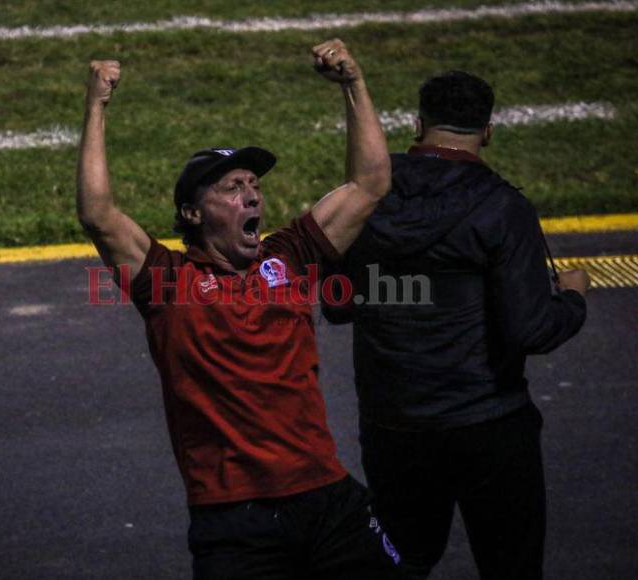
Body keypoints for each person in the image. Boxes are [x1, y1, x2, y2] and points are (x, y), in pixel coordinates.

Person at [76, 40, 403, 579]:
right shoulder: (167, 282)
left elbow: (369, 184)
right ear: (192, 212)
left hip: (327, 498)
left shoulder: (290, 256)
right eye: (232, 188)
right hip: (235, 521)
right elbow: (98, 214)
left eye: (254, 185)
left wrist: (354, 84)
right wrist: (96, 108)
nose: (252, 195)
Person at [322, 70, 589, 580]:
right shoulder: (503, 208)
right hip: (488, 424)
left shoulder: (367, 198)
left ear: (418, 125)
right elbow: (532, 329)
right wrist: (573, 298)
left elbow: (337, 304)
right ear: (487, 132)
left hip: (393, 423)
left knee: (401, 560)